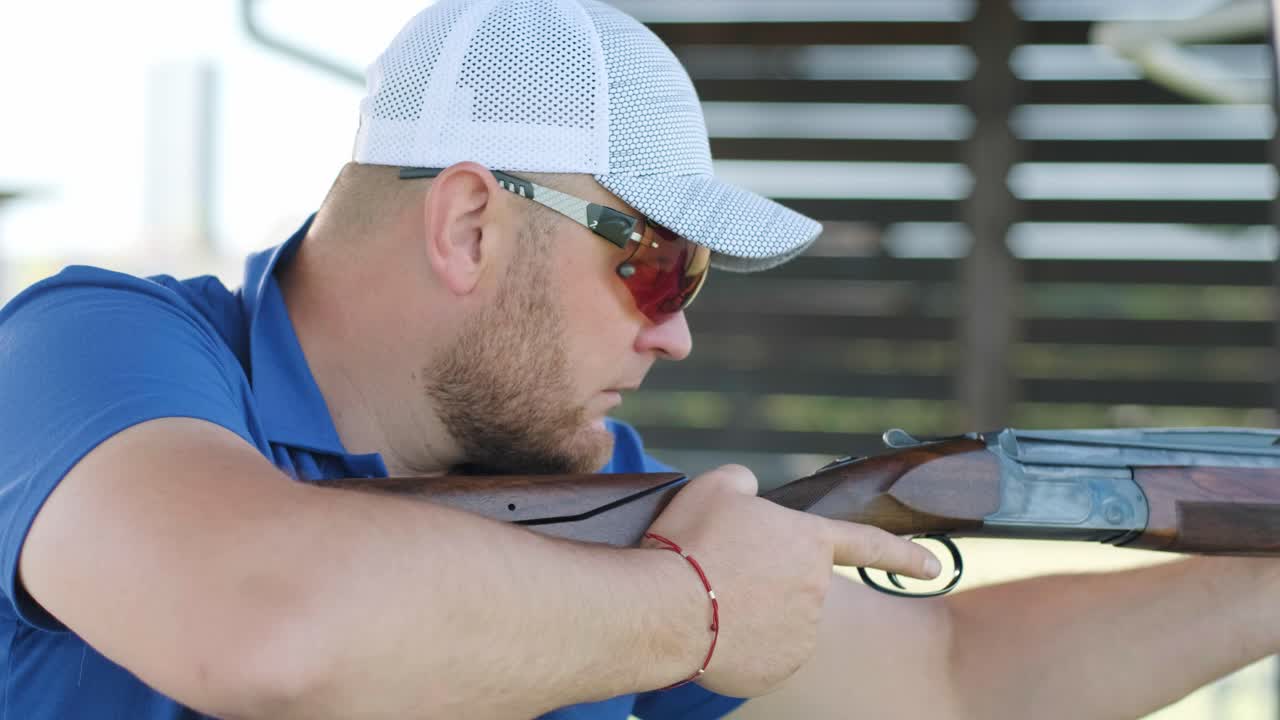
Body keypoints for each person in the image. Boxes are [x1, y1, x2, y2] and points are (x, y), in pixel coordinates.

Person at [2, 0, 1277, 718]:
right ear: (468, 225)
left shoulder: (602, 492)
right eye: (655, 263)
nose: (674, 330)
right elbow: (265, 627)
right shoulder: (93, 348)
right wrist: (696, 607)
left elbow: (950, 676)